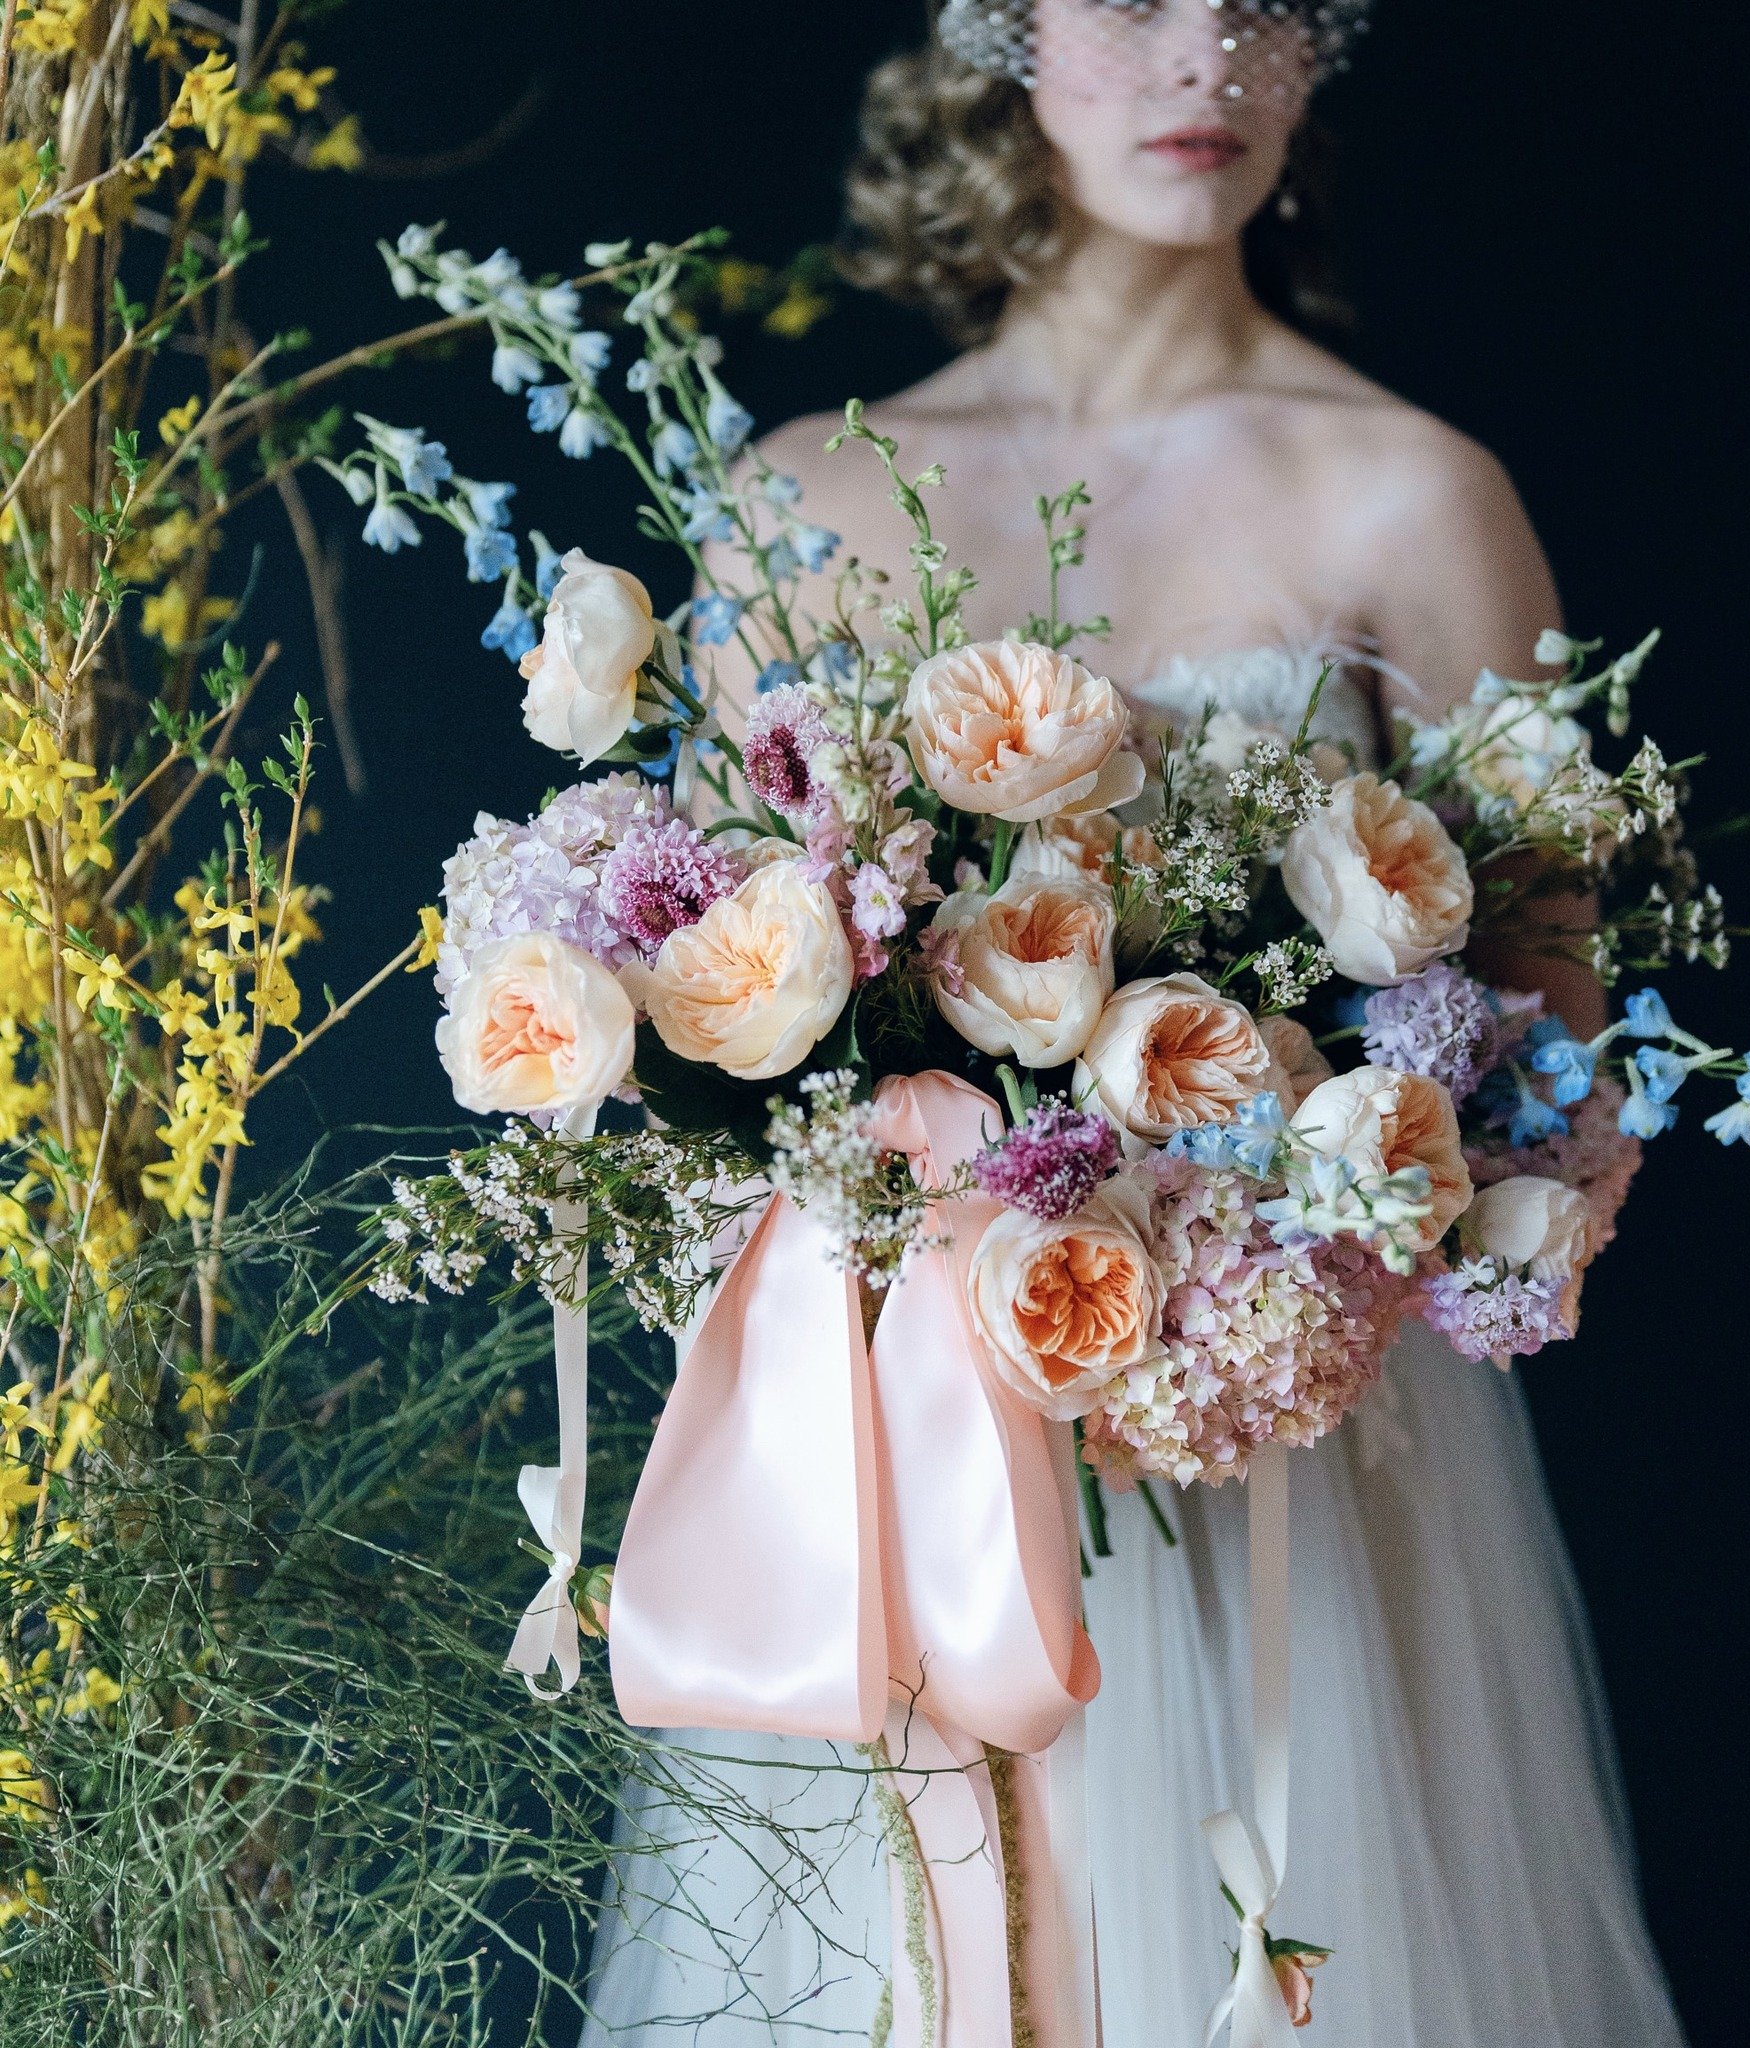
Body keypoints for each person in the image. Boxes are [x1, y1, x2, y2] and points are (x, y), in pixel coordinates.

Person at [582, 4, 1685, 2041]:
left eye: (1263, 4)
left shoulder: (1410, 501)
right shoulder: (804, 497)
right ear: (1005, 31)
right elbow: (713, 1009)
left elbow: (1546, 1035)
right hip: (895, 1445)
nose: (1207, 63)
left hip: (1277, 1459)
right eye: (1138, 2)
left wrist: (1374, 1225)